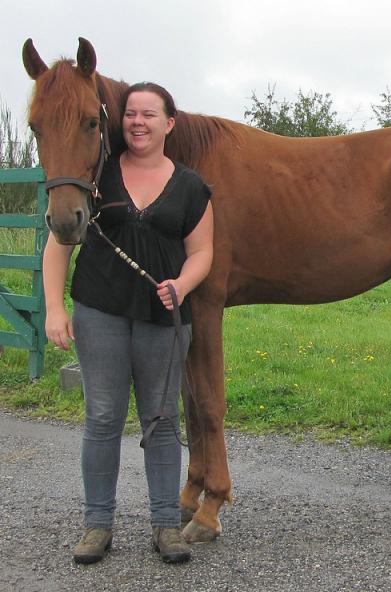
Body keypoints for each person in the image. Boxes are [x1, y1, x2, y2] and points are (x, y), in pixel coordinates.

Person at [42, 82, 213, 565]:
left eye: (150, 114)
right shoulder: (97, 177)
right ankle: (97, 525)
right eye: (131, 114)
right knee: (101, 419)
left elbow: (203, 253)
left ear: (169, 123)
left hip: (164, 318)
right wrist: (56, 308)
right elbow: (57, 246)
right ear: (121, 121)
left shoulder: (191, 185)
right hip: (100, 312)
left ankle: (165, 526)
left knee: (161, 422)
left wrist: (181, 285)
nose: (138, 122)